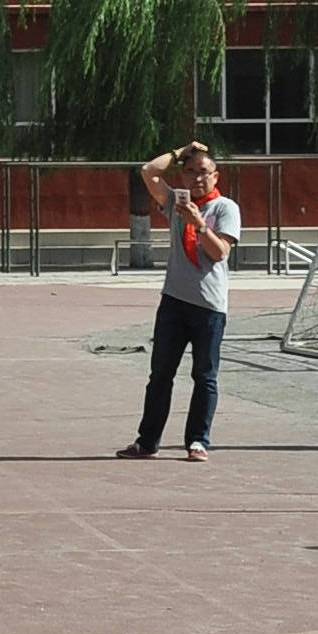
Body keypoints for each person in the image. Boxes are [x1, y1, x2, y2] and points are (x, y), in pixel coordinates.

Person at [118, 139, 239, 463]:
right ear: (183, 176)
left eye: (204, 172)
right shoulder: (174, 201)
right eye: (190, 172)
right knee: (160, 375)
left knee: (204, 376)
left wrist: (198, 223)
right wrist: (180, 152)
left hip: (209, 306)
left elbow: (220, 252)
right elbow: (148, 171)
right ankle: (147, 441)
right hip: (173, 301)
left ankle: (198, 441)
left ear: (216, 176)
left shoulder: (225, 208)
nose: (197, 179)